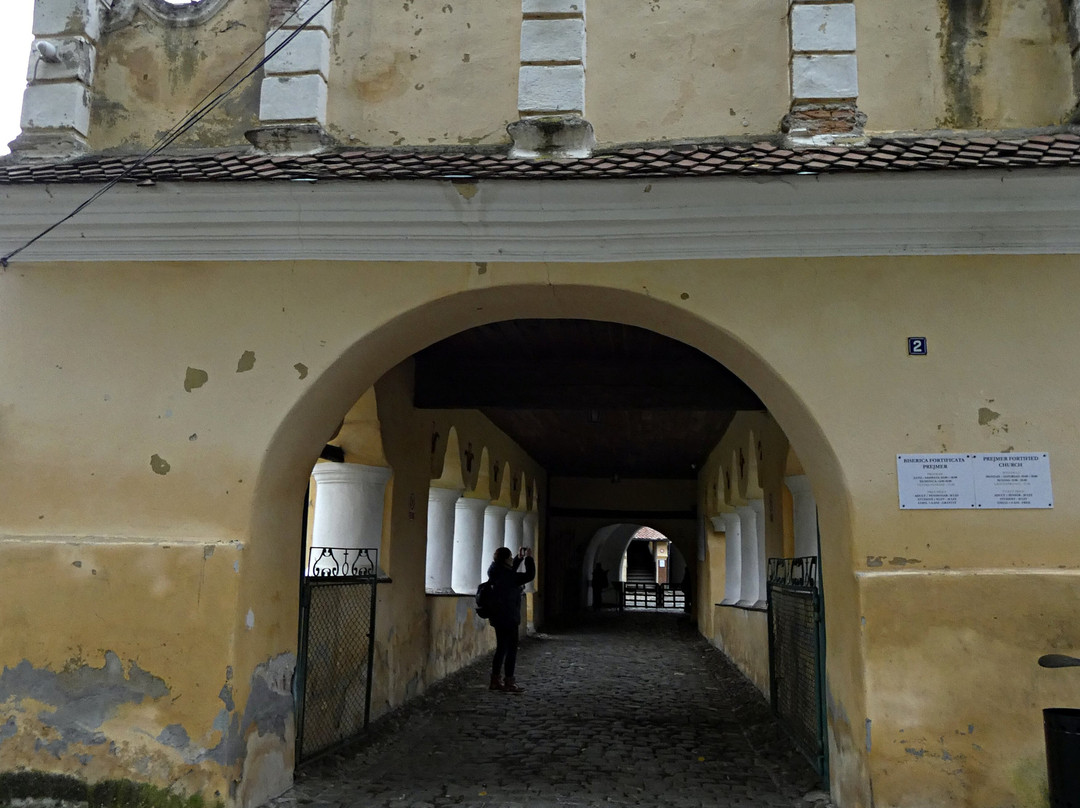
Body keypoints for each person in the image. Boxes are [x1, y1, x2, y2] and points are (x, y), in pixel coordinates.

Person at [486, 546, 535, 693]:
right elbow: (529, 575)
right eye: (511, 557)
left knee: (501, 648)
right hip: (509, 615)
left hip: (497, 615)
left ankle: (495, 680)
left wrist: (519, 558)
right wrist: (529, 558)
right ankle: (509, 681)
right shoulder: (508, 576)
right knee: (511, 649)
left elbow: (508, 571)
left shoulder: (494, 571)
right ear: (506, 559)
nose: (512, 559)